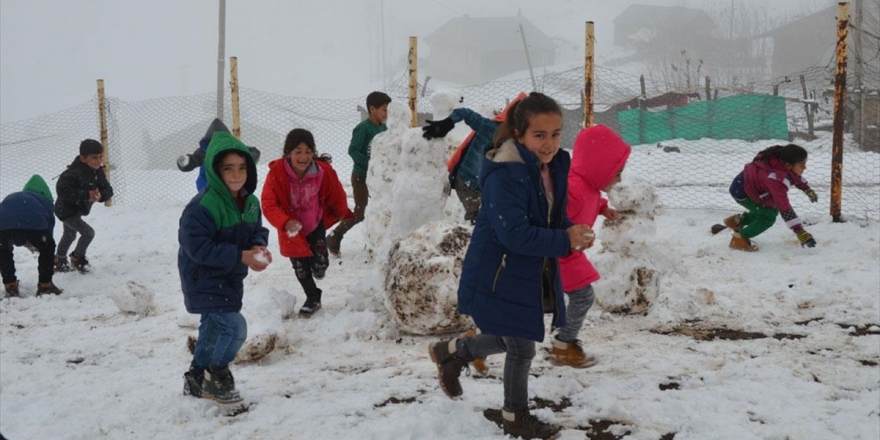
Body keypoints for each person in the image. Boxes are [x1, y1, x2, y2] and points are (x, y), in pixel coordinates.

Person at [427, 92, 595, 440]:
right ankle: (515, 415)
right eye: (539, 135)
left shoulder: (550, 166)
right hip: (498, 270)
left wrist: (569, 230)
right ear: (518, 134)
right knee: (521, 345)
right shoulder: (505, 173)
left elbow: (551, 216)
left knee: (512, 339)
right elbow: (514, 234)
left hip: (524, 270)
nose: (549, 143)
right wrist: (565, 240)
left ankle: (453, 353)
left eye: (555, 133)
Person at [178, 131, 272, 404]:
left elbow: (257, 229)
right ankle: (216, 376)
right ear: (215, 170)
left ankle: (196, 377)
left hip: (229, 276)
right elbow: (197, 248)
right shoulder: (203, 206)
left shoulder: (250, 202)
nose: (236, 174)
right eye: (228, 168)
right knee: (235, 328)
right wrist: (240, 256)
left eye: (242, 167)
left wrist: (257, 246)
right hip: (202, 277)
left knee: (212, 328)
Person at [554, 125, 631, 369]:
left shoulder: (586, 186)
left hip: (568, 254)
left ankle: (562, 341)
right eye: (616, 173)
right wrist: (569, 236)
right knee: (581, 296)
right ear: (599, 168)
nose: (619, 179)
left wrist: (602, 208)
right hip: (558, 256)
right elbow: (552, 218)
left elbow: (593, 198)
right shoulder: (573, 190)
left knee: (540, 304)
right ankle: (563, 345)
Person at [261, 128, 354, 317]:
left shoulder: (322, 172)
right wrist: (284, 222)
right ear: (288, 153)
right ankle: (313, 297)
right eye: (298, 151)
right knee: (301, 268)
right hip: (291, 229)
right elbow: (269, 203)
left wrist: (342, 211)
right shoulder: (277, 174)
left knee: (320, 265)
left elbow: (336, 193)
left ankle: (319, 266)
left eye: (308, 151)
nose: (303, 156)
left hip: (314, 223)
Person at [422, 93, 527, 224]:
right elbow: (466, 113)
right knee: (478, 218)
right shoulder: (493, 129)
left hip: (484, 185)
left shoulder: (522, 145)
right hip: (468, 182)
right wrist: (447, 123)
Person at [326, 91, 391, 257]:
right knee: (360, 212)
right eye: (384, 109)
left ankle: (378, 241)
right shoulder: (363, 128)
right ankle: (334, 236)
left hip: (376, 178)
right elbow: (353, 150)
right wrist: (370, 165)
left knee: (382, 209)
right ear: (372, 109)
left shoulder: (383, 128)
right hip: (361, 177)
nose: (387, 113)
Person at [724, 143, 818, 251]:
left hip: (748, 185)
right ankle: (740, 238)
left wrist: (806, 189)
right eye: (802, 165)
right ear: (788, 165)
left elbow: (793, 176)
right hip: (743, 192)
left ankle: (736, 221)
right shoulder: (775, 179)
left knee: (767, 211)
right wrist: (799, 231)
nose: (805, 167)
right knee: (768, 217)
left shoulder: (779, 162)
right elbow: (784, 205)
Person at [54, 139, 114, 274]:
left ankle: (59, 259)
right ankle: (77, 258)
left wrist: (101, 196)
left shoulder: (97, 171)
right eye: (94, 158)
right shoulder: (72, 173)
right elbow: (62, 191)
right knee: (88, 233)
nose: (98, 161)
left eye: (100, 157)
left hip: (77, 209)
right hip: (66, 210)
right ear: (83, 158)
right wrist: (86, 194)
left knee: (69, 234)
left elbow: (108, 189)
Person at [0, 175, 64, 298]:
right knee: (47, 248)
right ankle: (45, 285)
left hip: (2, 225)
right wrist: (45, 246)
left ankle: (10, 286)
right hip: (34, 222)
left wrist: (19, 238)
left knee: (4, 252)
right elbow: (48, 227)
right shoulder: (45, 201)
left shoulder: (15, 196)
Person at [176, 118, 262, 192]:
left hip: (228, 183)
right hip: (207, 185)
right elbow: (194, 160)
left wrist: (249, 155)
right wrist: (186, 162)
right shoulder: (204, 151)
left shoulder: (232, 149)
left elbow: (253, 153)